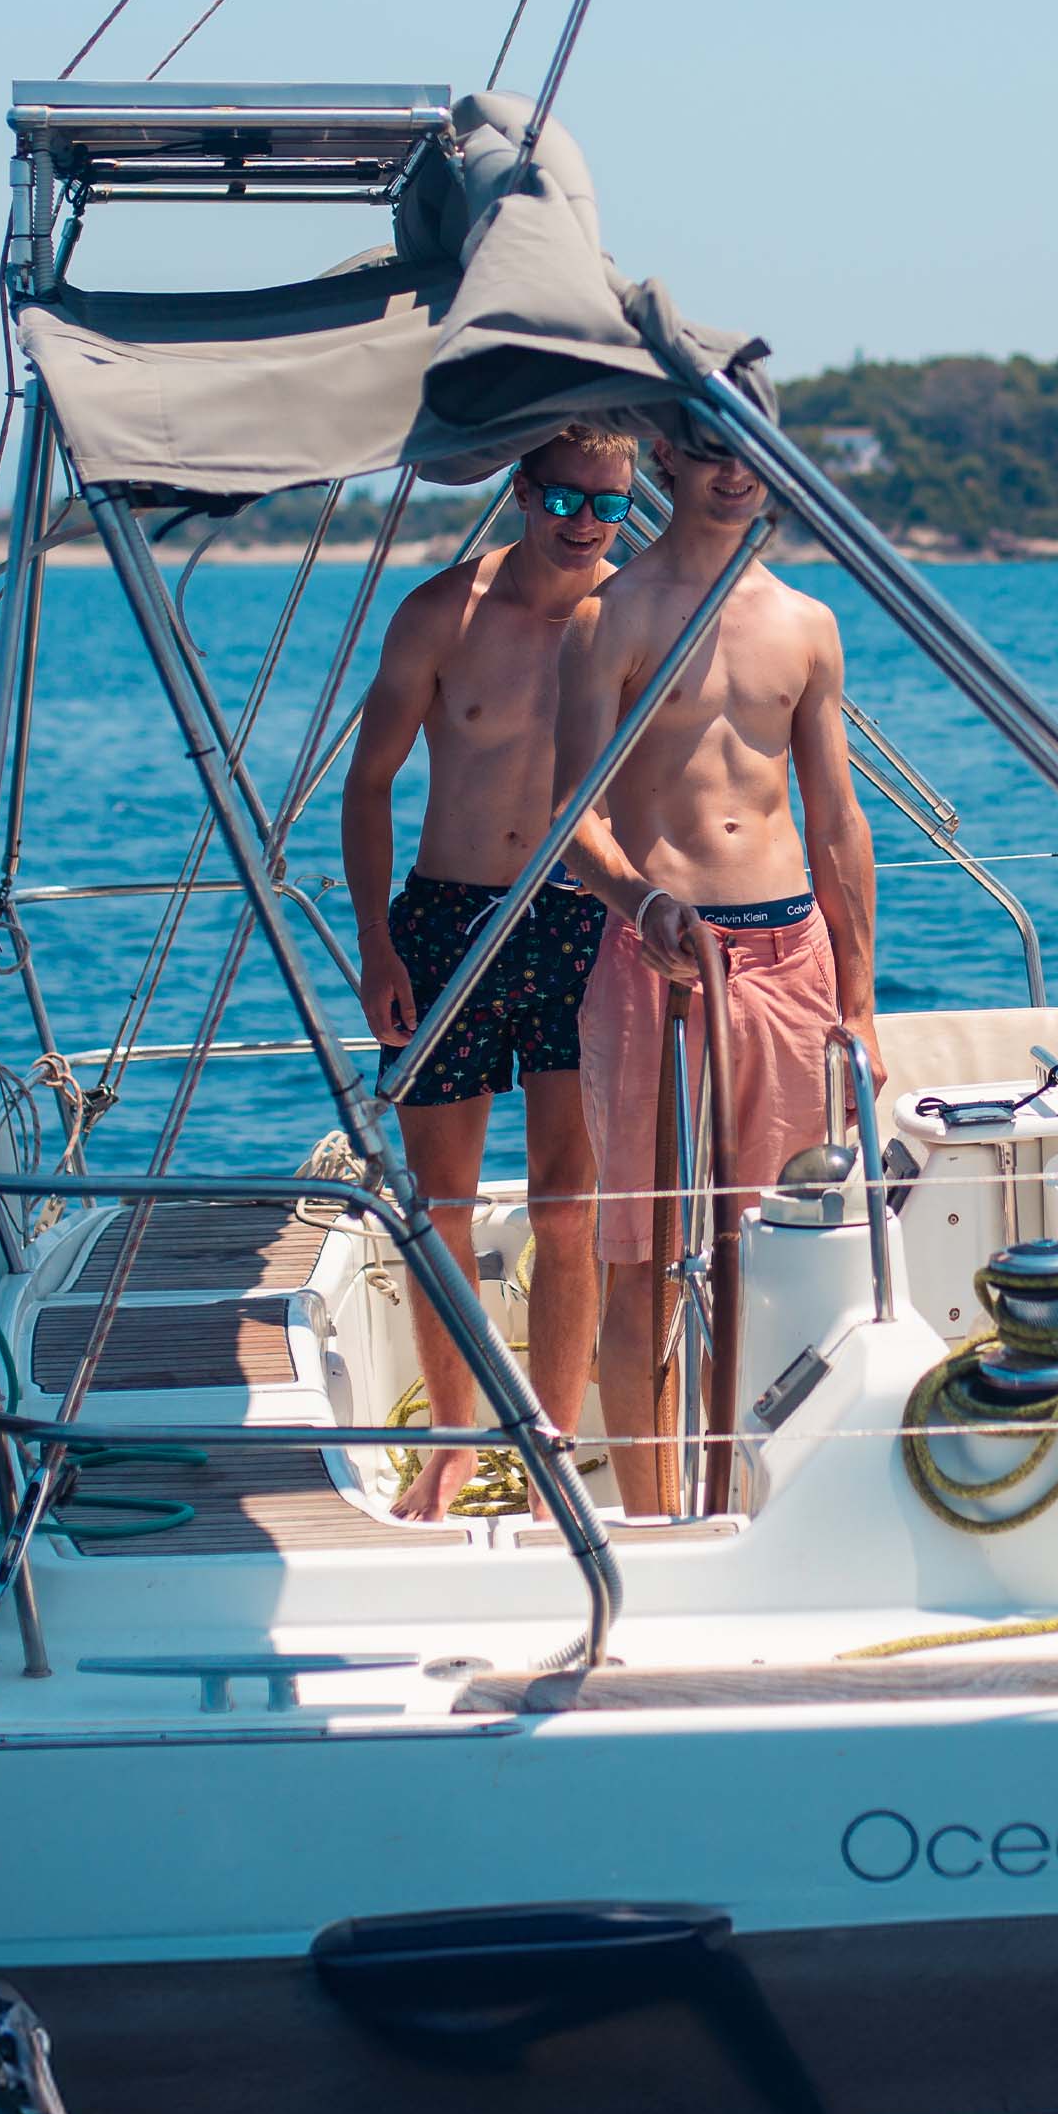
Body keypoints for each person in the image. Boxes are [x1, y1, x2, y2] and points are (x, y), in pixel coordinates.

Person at [556, 415, 879, 1520]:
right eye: (710, 447)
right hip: (659, 958)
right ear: (668, 458)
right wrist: (639, 901)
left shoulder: (807, 624)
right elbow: (572, 815)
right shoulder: (610, 616)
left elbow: (837, 819)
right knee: (643, 1258)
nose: (734, 470)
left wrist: (861, 1003)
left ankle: (765, 1508)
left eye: (750, 447)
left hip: (791, 956)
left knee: (782, 1249)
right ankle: (653, 1523)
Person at [341, 424, 641, 1520]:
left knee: (567, 1209)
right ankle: (456, 1443)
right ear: (522, 490)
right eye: (565, 499)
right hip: (446, 922)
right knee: (440, 1205)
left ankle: (551, 1443)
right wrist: (376, 942)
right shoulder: (441, 614)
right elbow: (369, 783)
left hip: (578, 922)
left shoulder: (637, 618)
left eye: (609, 504)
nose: (585, 524)